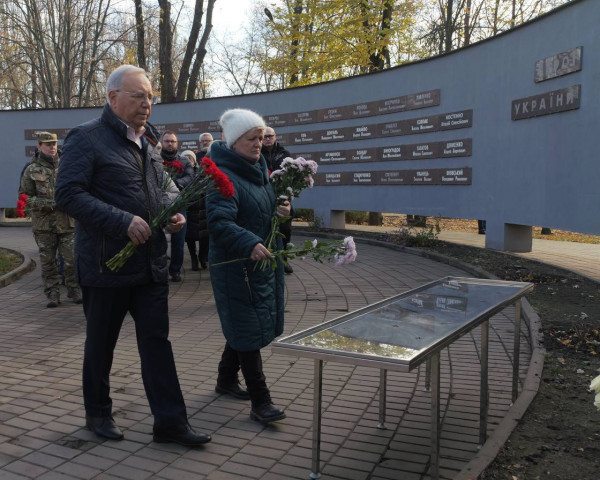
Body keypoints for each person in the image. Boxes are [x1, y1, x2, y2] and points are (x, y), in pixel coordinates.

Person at [54, 64, 211, 446]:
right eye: (138, 95)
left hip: (151, 264)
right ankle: (98, 414)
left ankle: (170, 423)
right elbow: (68, 195)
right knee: (100, 345)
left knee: (157, 343)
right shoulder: (86, 138)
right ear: (113, 97)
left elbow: (160, 191)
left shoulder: (150, 143)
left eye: (151, 97)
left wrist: (171, 214)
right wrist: (122, 221)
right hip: (106, 264)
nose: (147, 104)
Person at [206, 108, 291, 424]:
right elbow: (219, 222)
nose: (259, 144)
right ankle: (261, 401)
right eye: (251, 138)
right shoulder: (222, 177)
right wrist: (248, 242)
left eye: (260, 137)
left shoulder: (260, 171)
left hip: (260, 262)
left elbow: (260, 211)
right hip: (236, 266)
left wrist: (279, 210)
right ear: (234, 141)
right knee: (246, 327)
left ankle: (225, 379)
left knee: (243, 324)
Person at [19, 132, 82, 307]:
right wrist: (50, 204)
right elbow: (25, 198)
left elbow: (78, 189)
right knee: (48, 262)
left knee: (72, 260)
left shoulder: (67, 166)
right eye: (47, 144)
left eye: (54, 143)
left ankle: (74, 289)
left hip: (68, 222)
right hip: (44, 225)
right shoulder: (31, 170)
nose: (52, 147)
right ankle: (52, 292)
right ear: (39, 146)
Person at [161, 130, 195, 282]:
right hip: (159, 204)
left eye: (172, 141)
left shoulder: (184, 161)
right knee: (158, 237)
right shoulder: (155, 159)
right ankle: (160, 268)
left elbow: (190, 177)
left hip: (179, 203)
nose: (169, 144)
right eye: (167, 141)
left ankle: (175, 270)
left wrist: (172, 185)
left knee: (179, 239)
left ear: (177, 143)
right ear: (162, 142)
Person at [261, 126, 294, 274]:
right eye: (265, 136)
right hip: (265, 196)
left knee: (285, 229)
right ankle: (269, 259)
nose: (267, 139)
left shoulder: (284, 154)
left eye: (270, 136)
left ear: (275, 137)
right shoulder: (258, 153)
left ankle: (284, 259)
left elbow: (291, 175)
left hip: (283, 196)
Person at [181, 150, 208, 270]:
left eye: (190, 158)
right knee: (190, 238)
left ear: (194, 160)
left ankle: (202, 256)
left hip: (202, 210)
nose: (188, 161)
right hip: (189, 210)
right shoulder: (181, 174)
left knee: (204, 237)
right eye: (185, 158)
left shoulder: (201, 172)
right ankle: (193, 258)